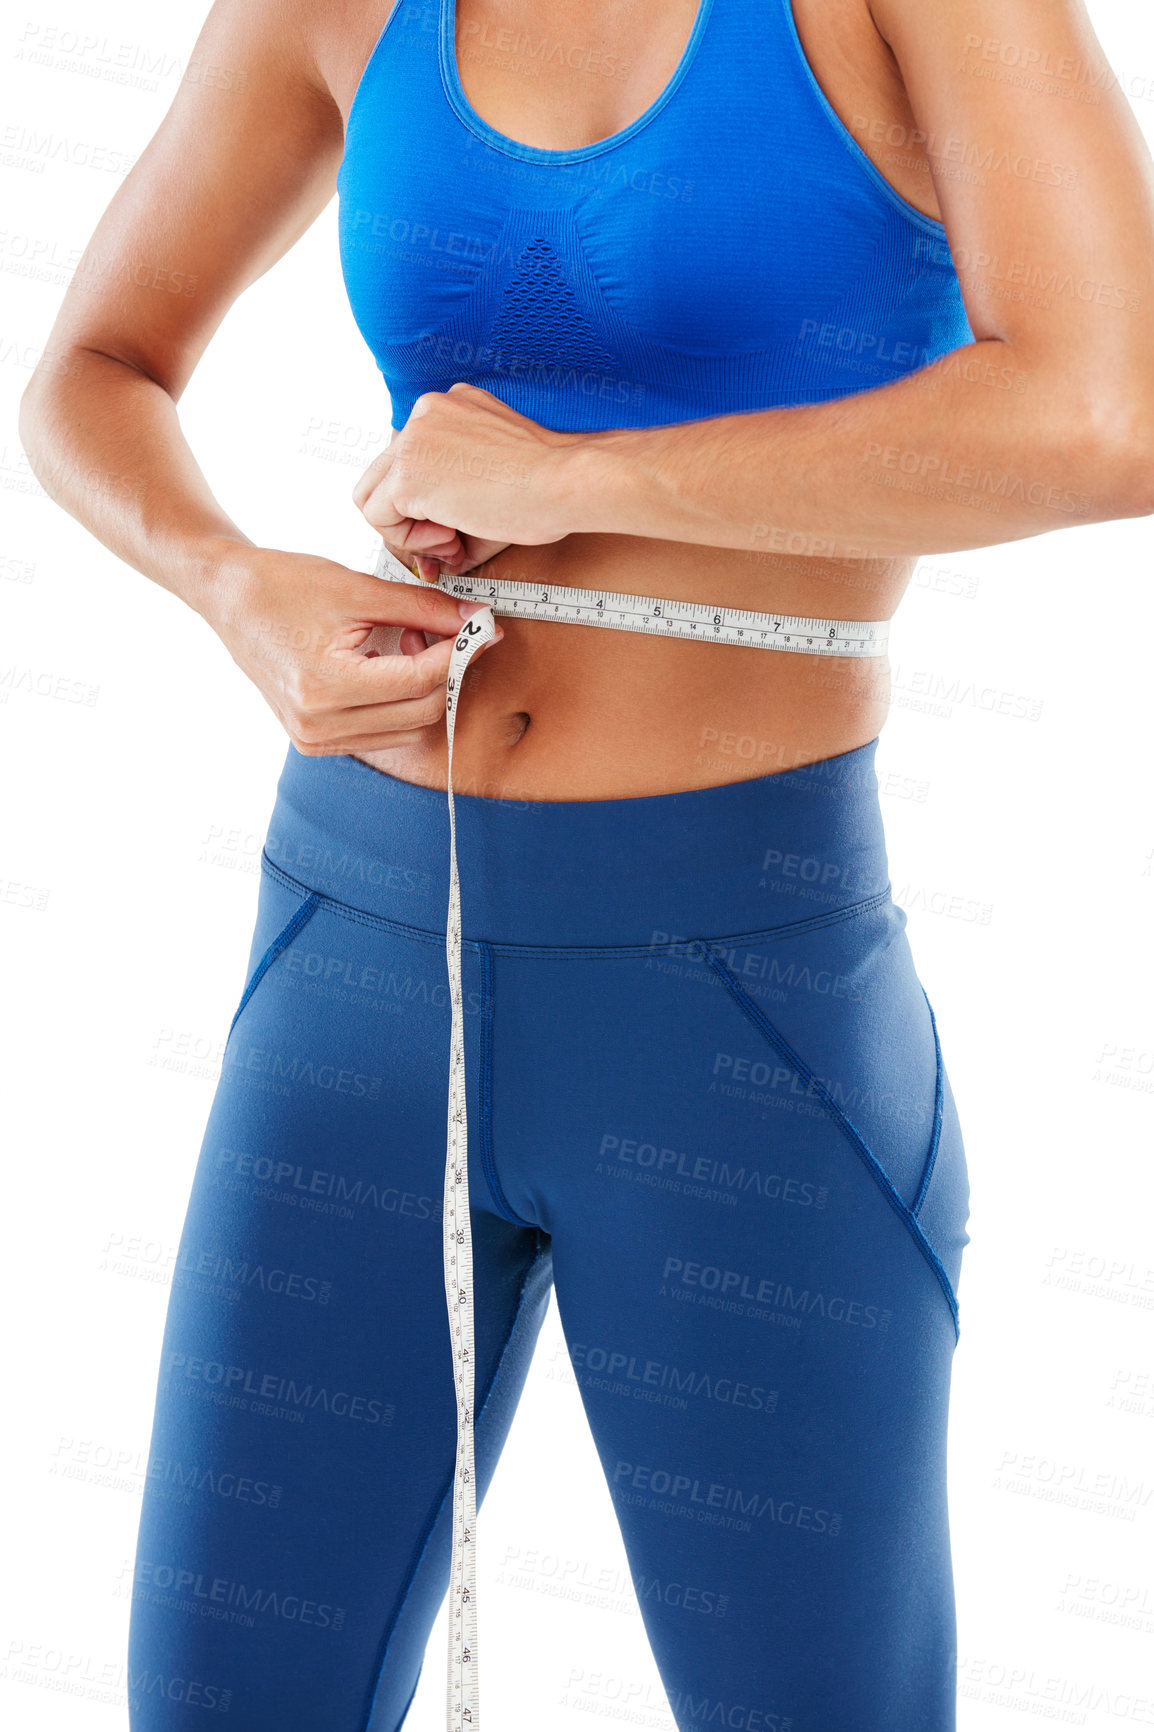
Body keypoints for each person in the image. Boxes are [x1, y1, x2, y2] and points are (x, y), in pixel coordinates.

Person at [18, 0, 1154, 1728]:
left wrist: (587, 475)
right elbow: (91, 370)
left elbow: (1107, 414)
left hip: (733, 1008)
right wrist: (239, 589)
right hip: (351, 960)